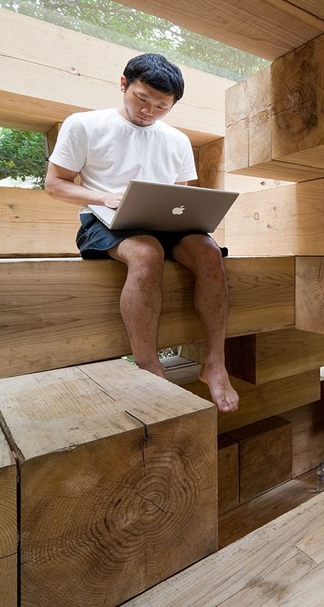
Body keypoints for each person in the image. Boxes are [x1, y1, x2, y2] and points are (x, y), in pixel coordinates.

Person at [45, 53, 238, 412]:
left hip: (163, 222)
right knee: (147, 252)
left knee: (210, 250)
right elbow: (55, 185)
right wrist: (102, 195)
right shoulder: (84, 125)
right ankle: (149, 365)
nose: (149, 110)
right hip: (105, 220)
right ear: (123, 84)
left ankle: (215, 363)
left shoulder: (177, 140)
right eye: (142, 99)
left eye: (162, 106)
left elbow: (181, 196)